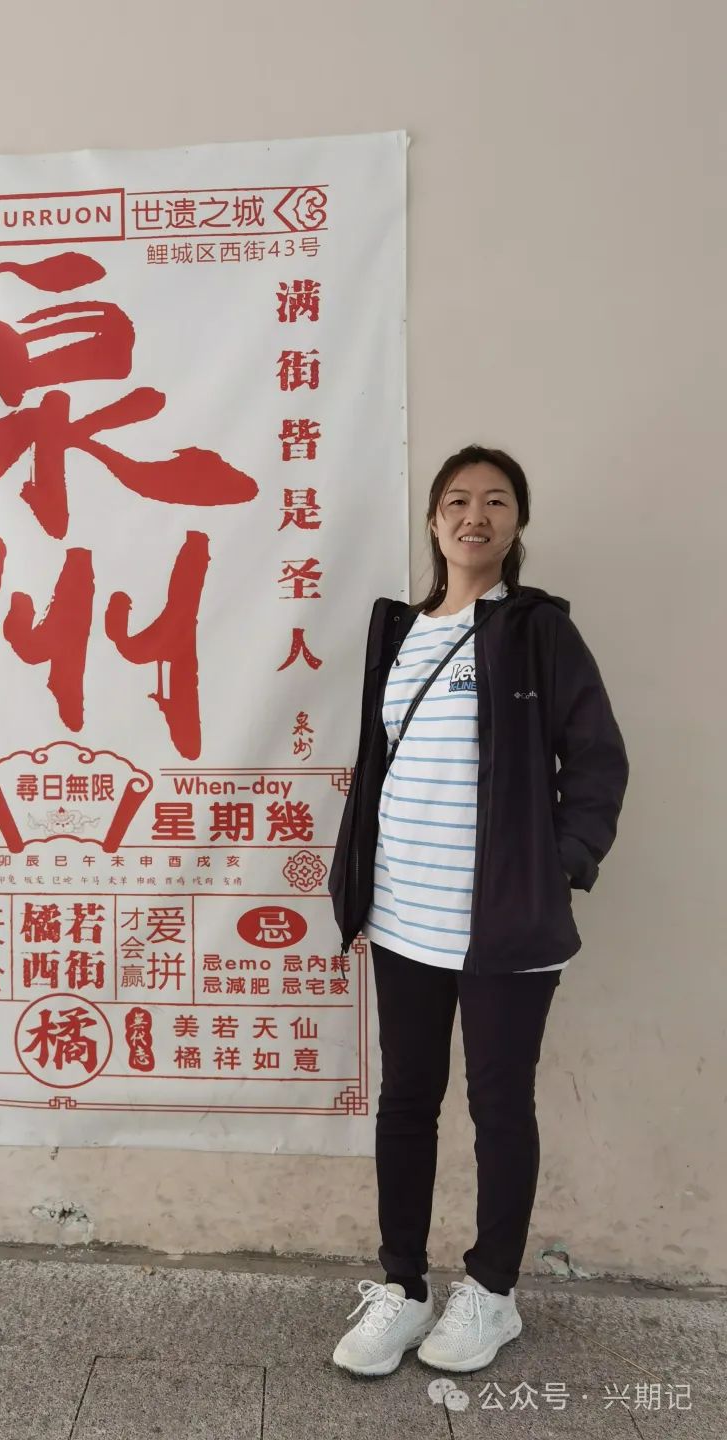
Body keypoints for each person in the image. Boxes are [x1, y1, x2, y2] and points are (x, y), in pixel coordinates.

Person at [327, 444, 628, 1377]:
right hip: (403, 914)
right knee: (407, 1101)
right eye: (457, 500)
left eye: (497, 501)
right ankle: (404, 1288)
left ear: (517, 523)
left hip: (504, 923)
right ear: (433, 520)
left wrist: (559, 866)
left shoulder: (538, 632)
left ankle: (493, 1293)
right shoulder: (400, 633)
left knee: (499, 1106)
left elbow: (599, 760)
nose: (475, 515)